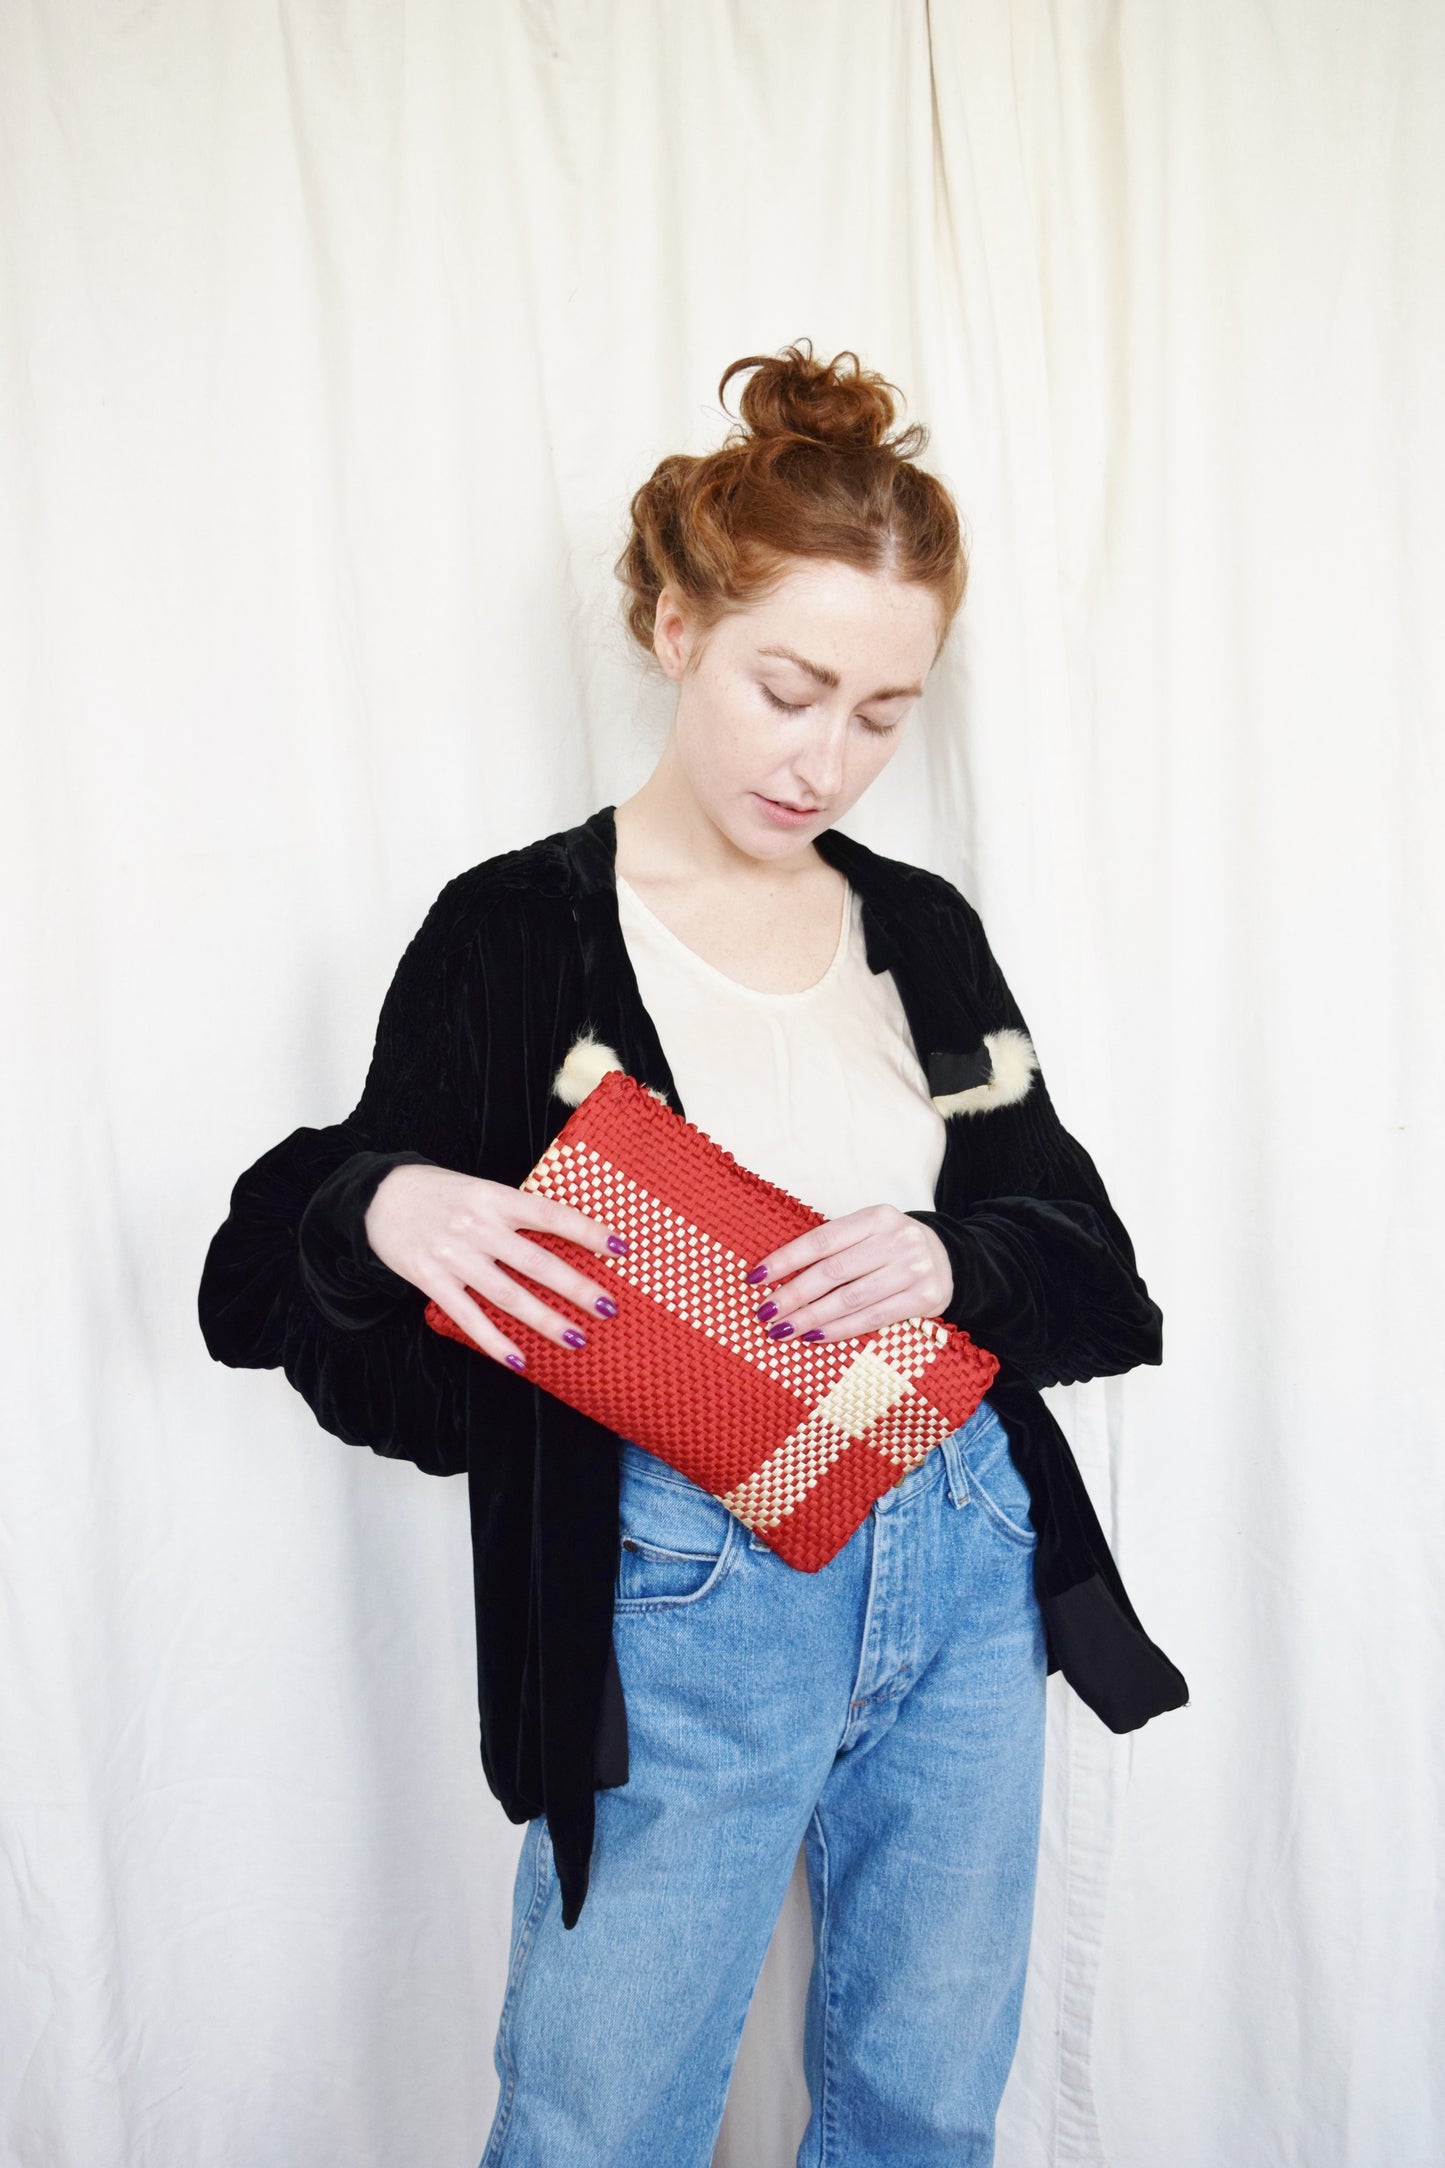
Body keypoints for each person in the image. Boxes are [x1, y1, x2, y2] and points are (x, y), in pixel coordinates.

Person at [198, 341, 1186, 2166]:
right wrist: (384, 1204)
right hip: (679, 1575)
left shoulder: (924, 933)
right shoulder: (518, 932)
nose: (826, 759)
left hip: (969, 1555)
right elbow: (273, 1294)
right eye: (788, 686)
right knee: (597, 2119)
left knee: (921, 2116)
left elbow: (1099, 1277)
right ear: (671, 627)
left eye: (885, 711)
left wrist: (952, 1263)